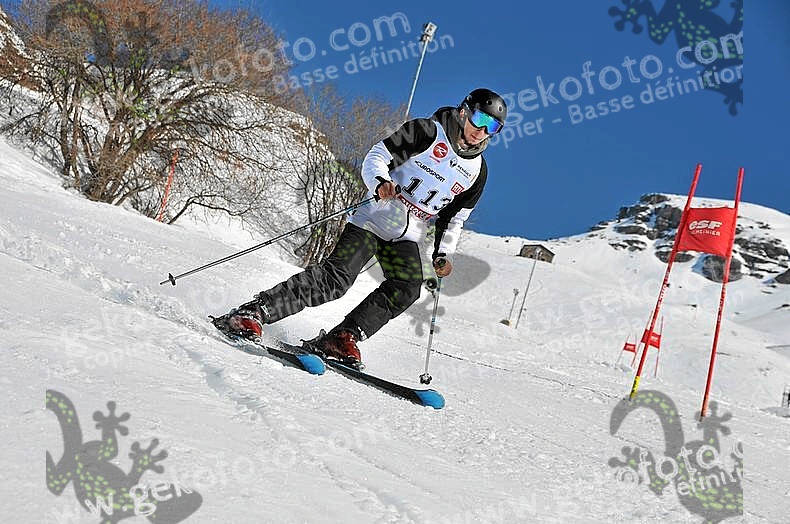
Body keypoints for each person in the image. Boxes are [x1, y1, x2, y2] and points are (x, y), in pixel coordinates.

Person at [213, 88, 507, 369]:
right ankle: (254, 311)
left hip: (405, 236)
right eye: (480, 118)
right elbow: (377, 155)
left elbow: (454, 218)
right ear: (463, 112)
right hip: (373, 219)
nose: (482, 130)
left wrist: (443, 253)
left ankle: (341, 338)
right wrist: (380, 182)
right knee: (336, 280)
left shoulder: (477, 172)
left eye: (492, 127)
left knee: (406, 288)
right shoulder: (427, 131)